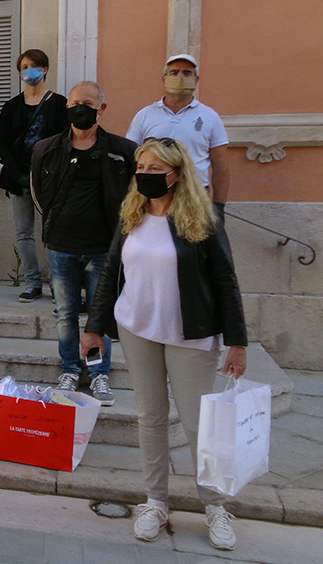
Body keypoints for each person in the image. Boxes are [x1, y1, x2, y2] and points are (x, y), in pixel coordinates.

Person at [83, 138, 247, 551]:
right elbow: (109, 274)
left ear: (177, 174)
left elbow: (226, 281)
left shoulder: (202, 219)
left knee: (197, 424)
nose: (146, 175)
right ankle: (155, 501)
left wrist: (237, 342)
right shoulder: (132, 215)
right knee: (150, 418)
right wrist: (94, 327)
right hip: (138, 330)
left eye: (156, 170)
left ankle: (215, 507)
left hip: (190, 335)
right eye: (142, 167)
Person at [30, 81, 136, 406]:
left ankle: (100, 374)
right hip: (62, 244)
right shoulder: (46, 148)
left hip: (103, 247)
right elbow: (38, 193)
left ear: (101, 109)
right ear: (67, 107)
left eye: (88, 103)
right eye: (76, 102)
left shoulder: (123, 151)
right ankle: (71, 368)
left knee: (100, 313)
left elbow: (132, 198)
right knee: (65, 313)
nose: (81, 108)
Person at [0, 49, 68, 302]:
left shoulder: (60, 104)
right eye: (24, 66)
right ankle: (32, 282)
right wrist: (17, 176)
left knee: (54, 231)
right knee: (23, 232)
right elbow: (3, 144)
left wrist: (50, 175)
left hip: (50, 180)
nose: (29, 71)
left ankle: (59, 284)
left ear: (45, 69)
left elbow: (65, 142)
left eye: (34, 66)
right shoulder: (11, 107)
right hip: (19, 179)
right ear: (19, 73)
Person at [126, 54, 230, 217]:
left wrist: (219, 206)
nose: (180, 77)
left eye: (187, 73)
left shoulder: (210, 117)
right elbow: (130, 156)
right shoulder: (145, 115)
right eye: (174, 73)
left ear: (196, 80)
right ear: (164, 78)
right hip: (152, 196)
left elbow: (221, 166)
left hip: (195, 195)